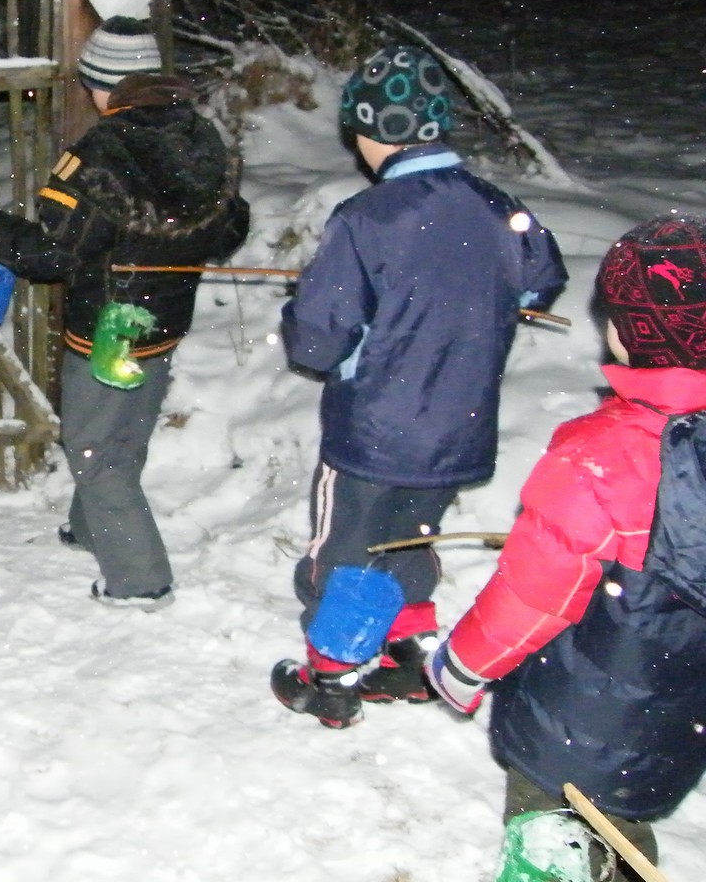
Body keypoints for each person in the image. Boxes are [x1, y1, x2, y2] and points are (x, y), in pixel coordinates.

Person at [271, 44, 567, 727]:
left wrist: (305, 303)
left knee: (347, 549)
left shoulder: (366, 218)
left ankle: (333, 676)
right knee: (409, 534)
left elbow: (317, 341)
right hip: (458, 425)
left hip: (374, 431)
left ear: (368, 130)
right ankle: (408, 652)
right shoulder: (495, 206)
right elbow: (540, 279)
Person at [0, 15, 250, 609]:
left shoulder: (100, 152)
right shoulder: (200, 136)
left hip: (107, 331)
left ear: (102, 84)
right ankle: (93, 527)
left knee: (93, 450)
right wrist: (160, 246)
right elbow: (230, 227)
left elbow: (53, 252)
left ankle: (140, 581)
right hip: (164, 322)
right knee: (123, 435)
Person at [426, 214, 706, 875]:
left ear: (625, 331)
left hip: (579, 721)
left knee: (553, 838)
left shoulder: (601, 459)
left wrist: (462, 666)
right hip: (680, 712)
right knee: (622, 825)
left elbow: (533, 596)